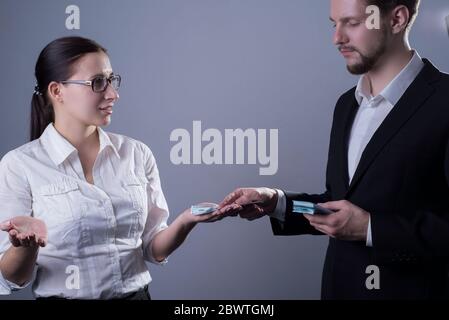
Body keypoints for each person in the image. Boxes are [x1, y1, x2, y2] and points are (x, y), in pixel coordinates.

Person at [218, 0, 449, 299]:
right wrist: (276, 202)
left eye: (351, 23)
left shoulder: (444, 102)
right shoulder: (346, 105)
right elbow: (337, 206)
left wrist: (371, 229)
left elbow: (360, 222)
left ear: (397, 20)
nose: (336, 38)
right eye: (334, 23)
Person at [0, 36, 235, 299]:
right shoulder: (19, 165)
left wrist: (187, 220)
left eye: (112, 80)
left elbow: (153, 249)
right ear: (57, 91)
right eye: (98, 82)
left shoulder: (136, 153)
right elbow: (12, 277)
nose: (113, 94)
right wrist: (26, 246)